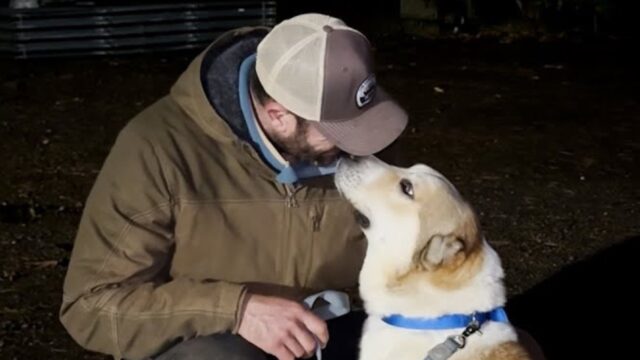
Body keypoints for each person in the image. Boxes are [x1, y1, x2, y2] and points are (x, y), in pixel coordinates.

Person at [60, 13, 408, 360]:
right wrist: (236, 310)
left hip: (327, 329)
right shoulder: (157, 150)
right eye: (338, 130)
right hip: (217, 340)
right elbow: (92, 304)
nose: (360, 145)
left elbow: (409, 251)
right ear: (278, 115)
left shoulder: (356, 140)